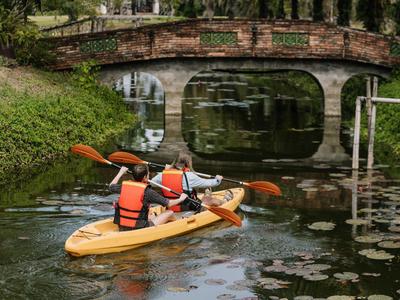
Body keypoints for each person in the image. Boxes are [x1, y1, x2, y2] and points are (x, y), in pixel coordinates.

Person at [109, 164, 187, 231]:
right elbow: (169, 204)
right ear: (145, 177)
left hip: (121, 225)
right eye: (148, 174)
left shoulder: (124, 186)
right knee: (169, 212)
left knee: (151, 215)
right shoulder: (148, 192)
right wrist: (181, 198)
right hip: (139, 228)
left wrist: (121, 172)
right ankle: (176, 225)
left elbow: (111, 186)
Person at [151, 150, 224, 211]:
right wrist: (217, 179)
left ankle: (207, 195)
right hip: (188, 208)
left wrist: (167, 170)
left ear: (175, 161)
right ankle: (225, 201)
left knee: (205, 197)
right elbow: (208, 183)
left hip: (170, 206)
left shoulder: (162, 175)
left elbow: (151, 183)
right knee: (210, 200)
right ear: (188, 163)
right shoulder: (189, 176)